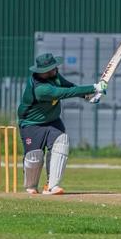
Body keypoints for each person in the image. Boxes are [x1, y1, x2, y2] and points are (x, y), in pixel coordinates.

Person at [17, 53, 107, 195]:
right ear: (42, 72)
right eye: (51, 69)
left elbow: (70, 87)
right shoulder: (41, 89)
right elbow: (65, 93)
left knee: (61, 143)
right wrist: (94, 87)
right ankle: (31, 186)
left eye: (54, 67)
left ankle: (52, 186)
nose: (55, 70)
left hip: (53, 120)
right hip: (32, 124)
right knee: (34, 156)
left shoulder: (55, 77)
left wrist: (87, 96)